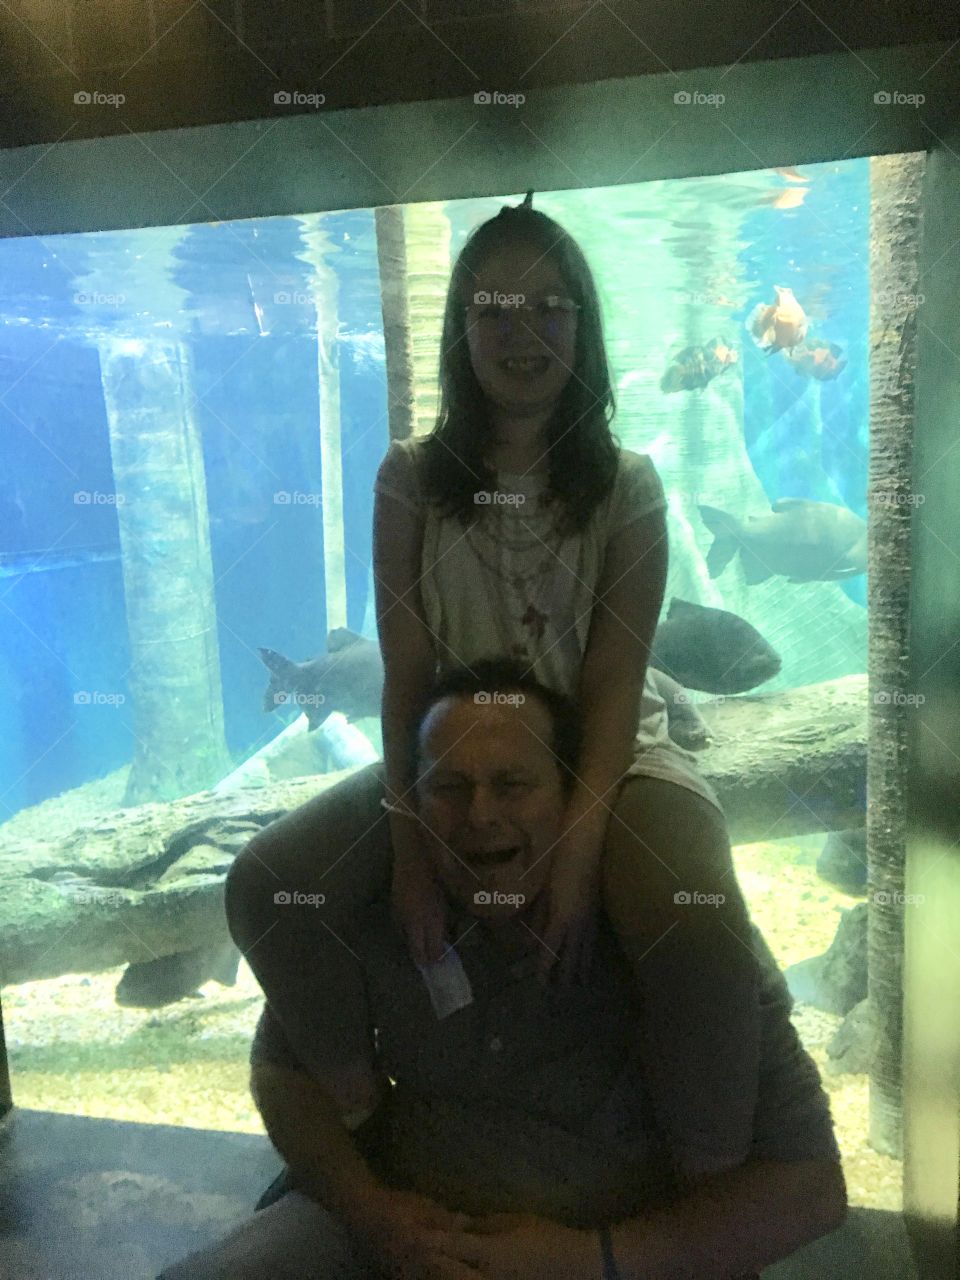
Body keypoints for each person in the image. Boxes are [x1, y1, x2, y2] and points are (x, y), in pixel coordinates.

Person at [158, 659, 846, 1279]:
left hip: (615, 1249)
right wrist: (372, 1210)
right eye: (449, 788)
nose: (480, 815)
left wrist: (594, 1260)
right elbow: (284, 1072)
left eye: (513, 785)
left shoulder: (669, 937)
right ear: (411, 805)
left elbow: (811, 1188)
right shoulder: (381, 908)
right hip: (396, 1228)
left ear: (572, 797)